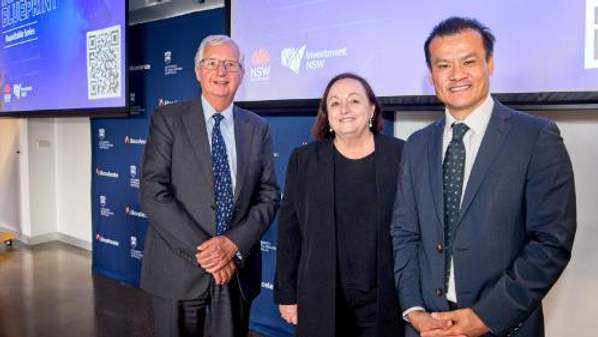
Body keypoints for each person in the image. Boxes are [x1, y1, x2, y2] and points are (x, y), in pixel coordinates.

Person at [391, 17, 576, 337]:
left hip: (503, 326)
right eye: (443, 65)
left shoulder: (536, 137)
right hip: (427, 327)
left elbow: (551, 242)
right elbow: (404, 233)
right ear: (432, 76)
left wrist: (487, 316)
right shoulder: (417, 145)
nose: (456, 74)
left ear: (489, 64)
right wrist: (415, 311)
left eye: (469, 61)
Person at [140, 35, 280, 337]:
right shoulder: (168, 119)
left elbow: (268, 196)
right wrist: (209, 254)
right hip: (176, 270)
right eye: (212, 63)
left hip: (235, 272)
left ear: (241, 74)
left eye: (230, 65)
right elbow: (153, 191)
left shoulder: (258, 128)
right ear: (197, 71)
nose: (221, 72)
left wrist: (231, 245)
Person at [274, 73, 405, 337]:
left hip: (385, 299)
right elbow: (290, 232)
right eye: (334, 103)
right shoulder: (305, 160)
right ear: (327, 115)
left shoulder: (401, 155)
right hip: (322, 297)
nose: (344, 109)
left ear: (371, 109)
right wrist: (287, 293)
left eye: (354, 101)